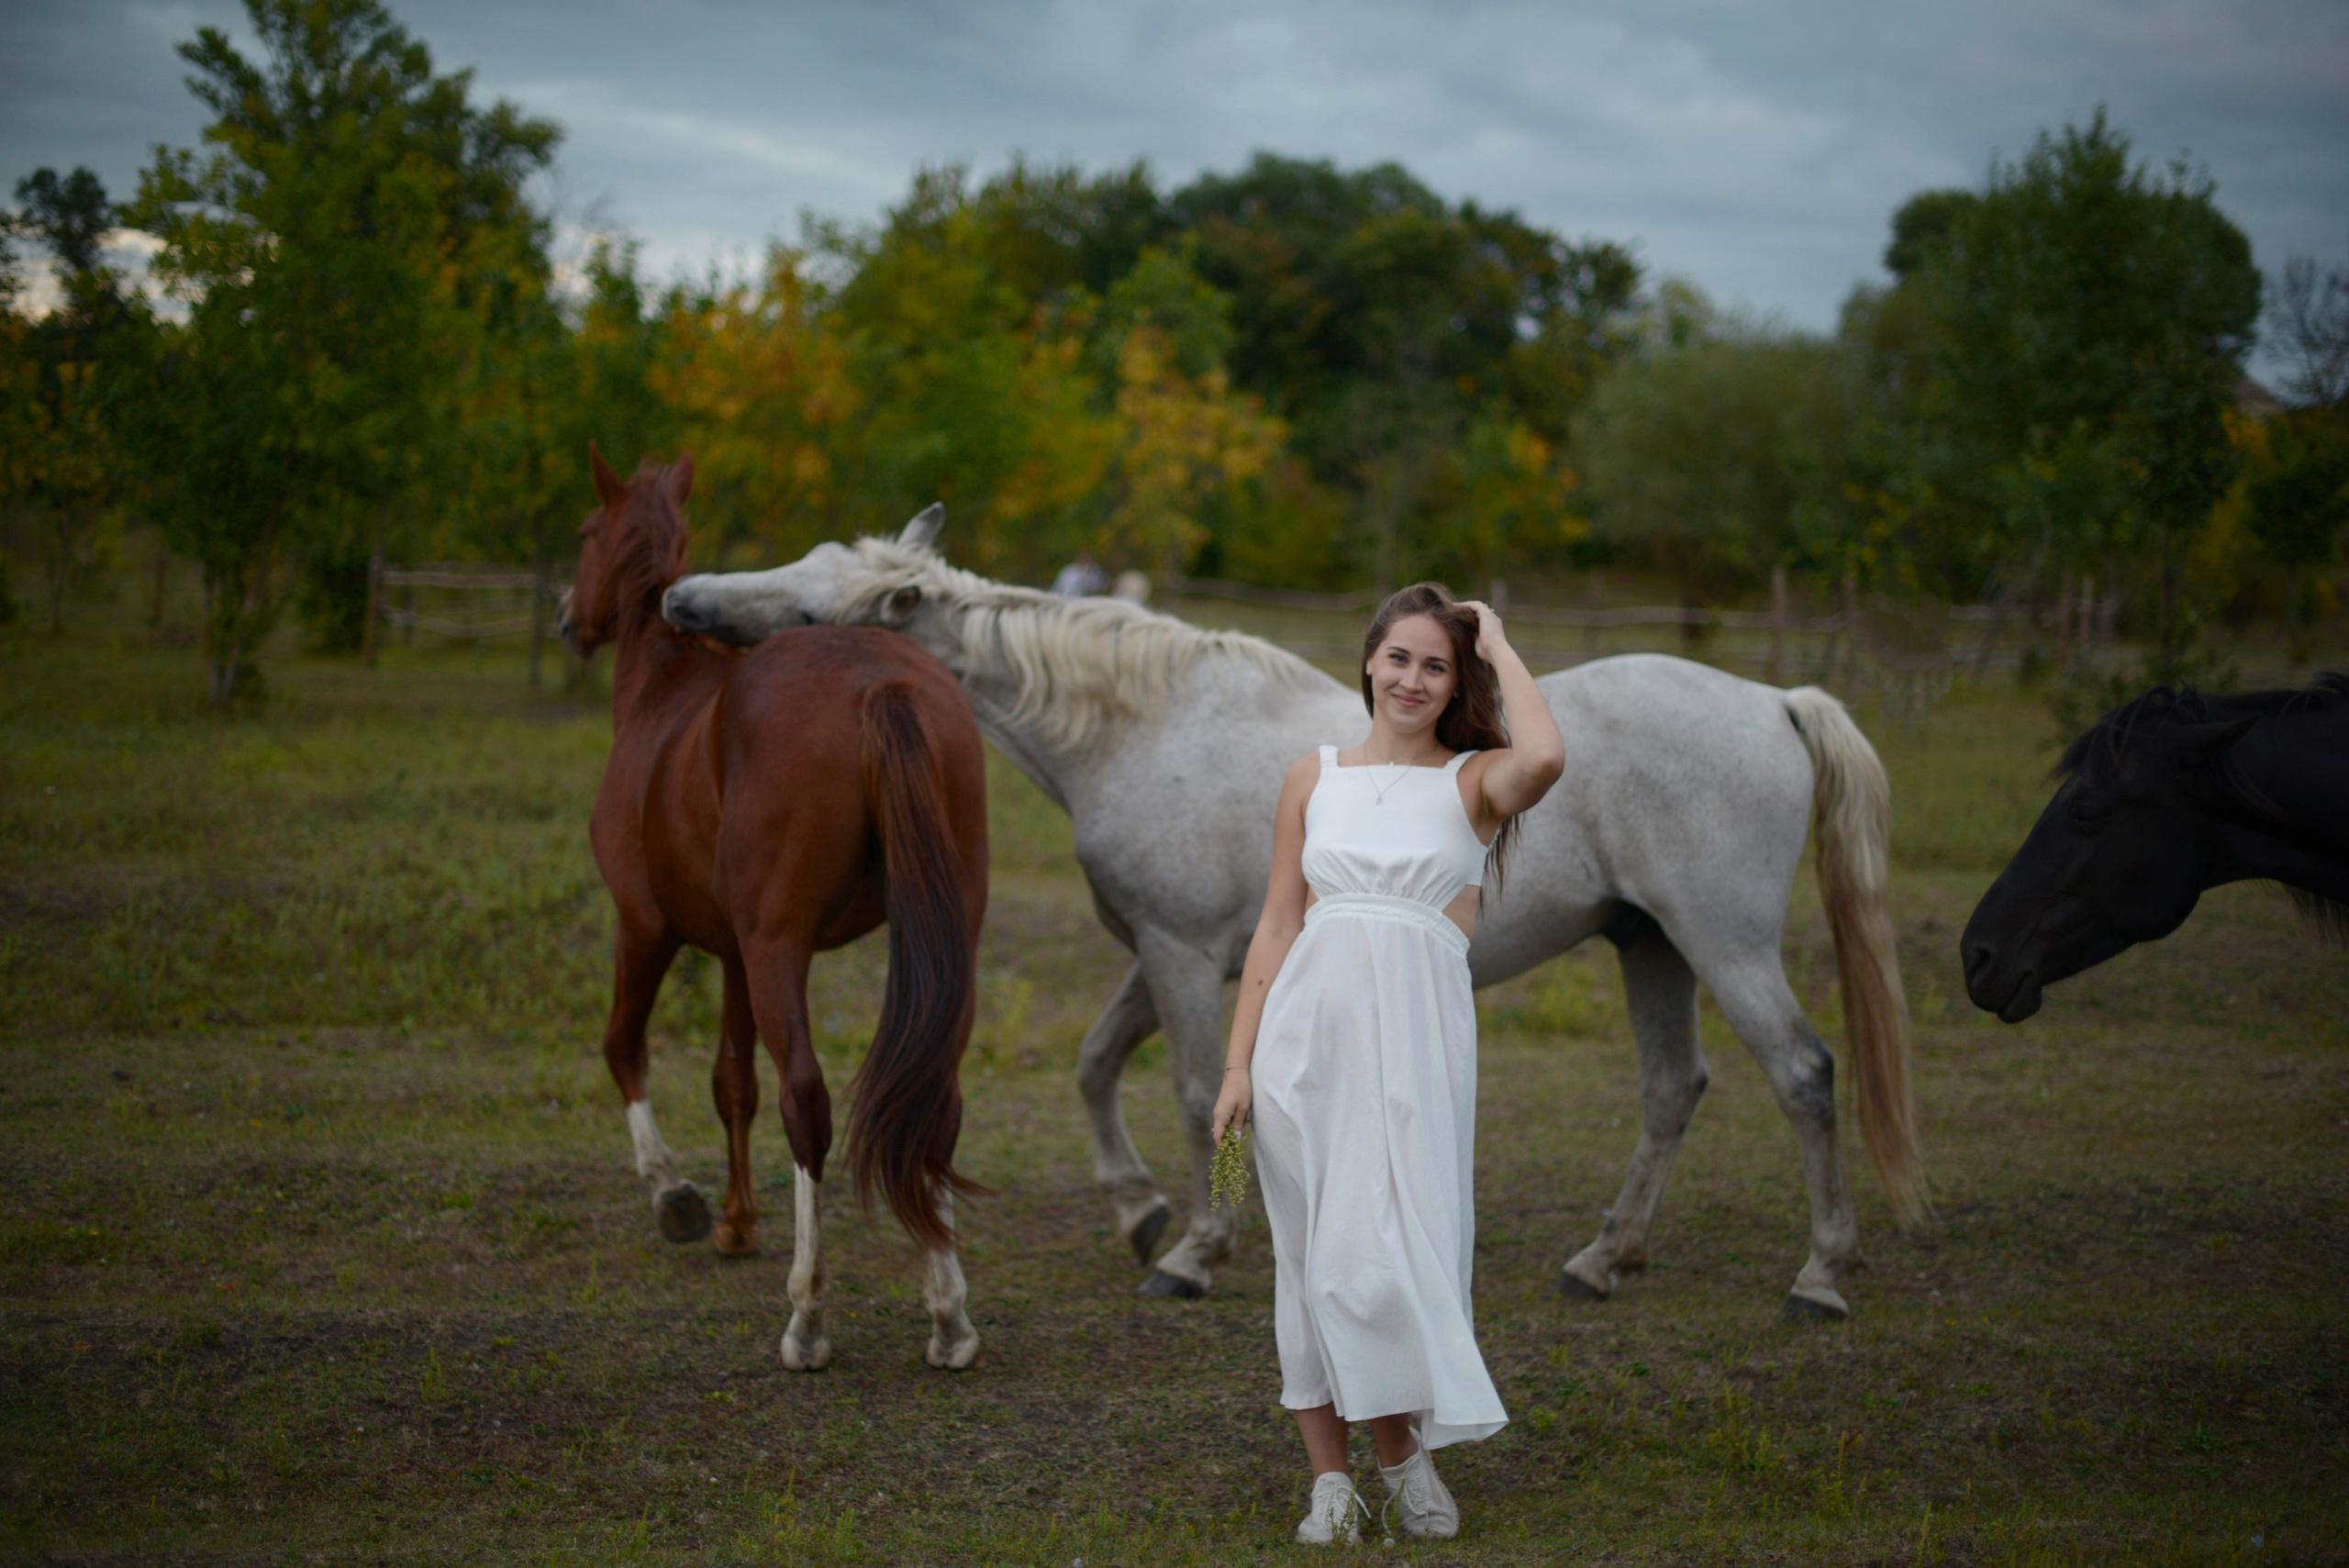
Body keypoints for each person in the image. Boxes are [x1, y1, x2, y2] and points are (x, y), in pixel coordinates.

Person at [1212, 582, 1565, 1546]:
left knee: (1390, 1263)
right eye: (1399, 657)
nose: (1413, 678)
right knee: (1316, 1263)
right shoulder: (1310, 776)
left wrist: (1492, 633)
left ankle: (1404, 1456)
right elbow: (1279, 921)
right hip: (1300, 1051)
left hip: (1414, 1056)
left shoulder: (1473, 781)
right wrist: (1238, 1066)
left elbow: (1545, 754)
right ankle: (1334, 1480)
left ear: (1459, 684)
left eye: (1436, 665)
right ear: (1368, 660)